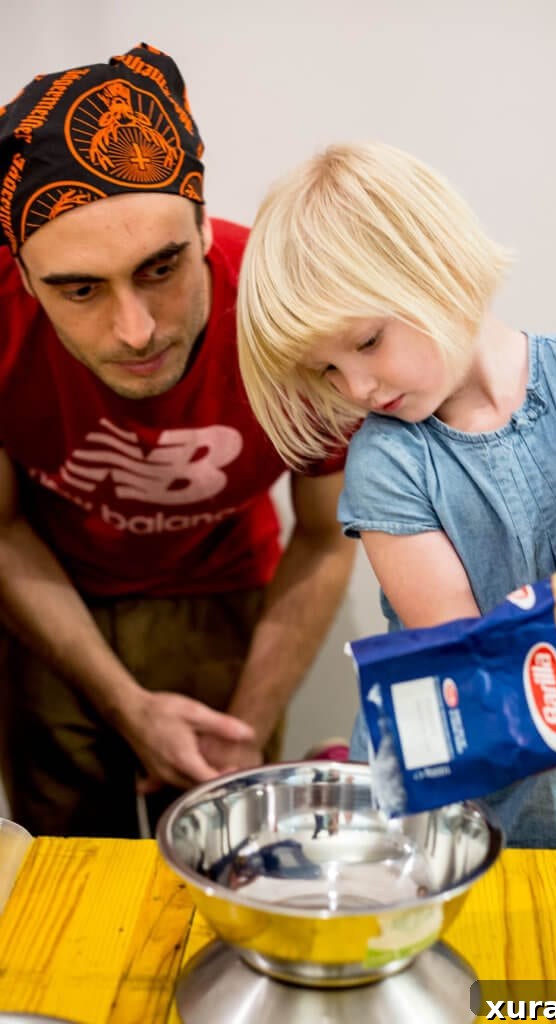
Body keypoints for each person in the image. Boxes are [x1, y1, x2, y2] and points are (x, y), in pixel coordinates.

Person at [236, 141, 556, 850]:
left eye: (368, 341)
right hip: (477, 817)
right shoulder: (385, 456)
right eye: (324, 369)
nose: (356, 389)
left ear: (435, 267)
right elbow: (474, 662)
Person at [0, 44, 356, 838]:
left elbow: (328, 537)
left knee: (227, 860)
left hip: (228, 599)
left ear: (202, 225)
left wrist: (245, 731)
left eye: (160, 268)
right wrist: (126, 707)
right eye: (79, 289)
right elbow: (2, 528)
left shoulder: (292, 313)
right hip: (47, 599)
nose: (135, 331)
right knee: (62, 882)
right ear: (22, 276)